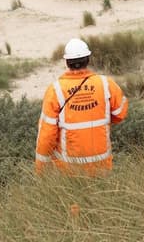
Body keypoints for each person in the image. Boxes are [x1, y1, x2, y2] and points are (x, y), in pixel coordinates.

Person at [35, 38, 128, 174]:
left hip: (69, 170)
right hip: (102, 167)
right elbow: (120, 114)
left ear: (67, 62)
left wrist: (40, 169)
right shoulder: (106, 84)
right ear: (88, 60)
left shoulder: (55, 90)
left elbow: (47, 135)